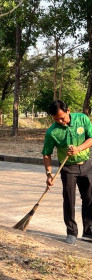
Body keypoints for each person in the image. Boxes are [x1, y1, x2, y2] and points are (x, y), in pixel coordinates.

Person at [42, 100, 92, 245]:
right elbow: (47, 154)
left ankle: (89, 232)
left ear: (68, 110)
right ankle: (71, 232)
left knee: (89, 199)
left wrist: (79, 148)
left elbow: (91, 138)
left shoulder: (82, 118)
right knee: (69, 200)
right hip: (68, 168)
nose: (60, 121)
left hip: (86, 165)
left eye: (62, 118)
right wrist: (49, 174)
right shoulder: (52, 132)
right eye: (56, 119)